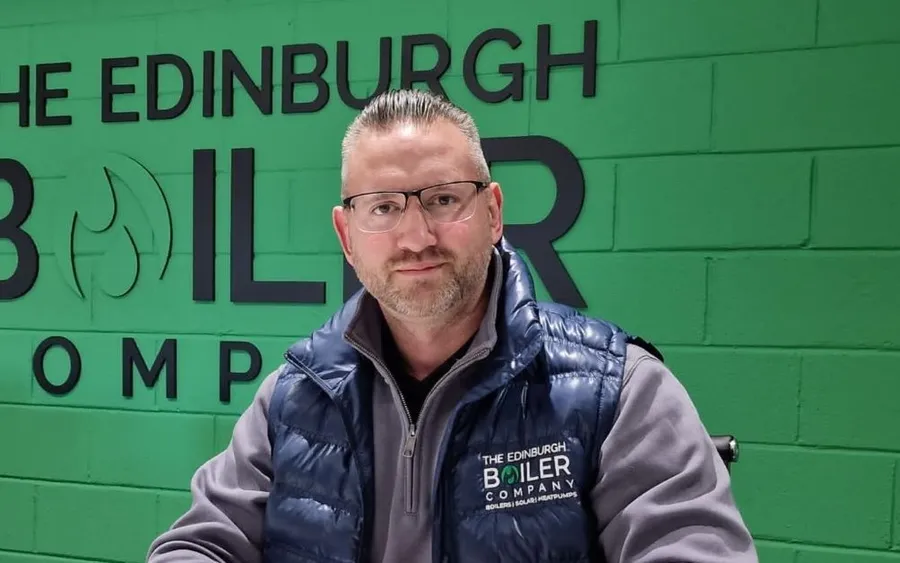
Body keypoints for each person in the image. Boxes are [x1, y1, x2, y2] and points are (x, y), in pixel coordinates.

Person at [147, 88, 758, 563]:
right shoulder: (295, 396)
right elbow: (201, 543)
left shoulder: (619, 392)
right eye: (384, 207)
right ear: (347, 236)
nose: (416, 237)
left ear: (493, 211)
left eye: (443, 199)